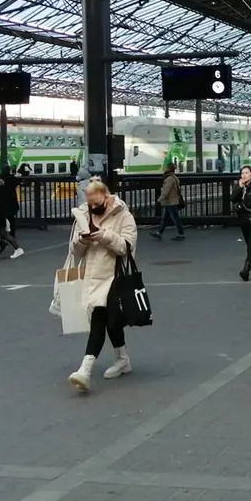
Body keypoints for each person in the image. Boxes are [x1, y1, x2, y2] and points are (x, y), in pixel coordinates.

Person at [66, 178, 138, 392]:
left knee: (99, 319)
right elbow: (74, 251)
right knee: (111, 321)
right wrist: (81, 240)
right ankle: (123, 359)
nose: (93, 208)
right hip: (92, 276)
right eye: (90, 204)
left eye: (97, 204)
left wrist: (104, 236)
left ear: (106, 197)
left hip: (113, 278)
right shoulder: (84, 215)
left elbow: (127, 247)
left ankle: (85, 369)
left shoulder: (124, 216)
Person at [149, 163, 185, 241]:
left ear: (168, 169)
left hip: (170, 202)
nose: (164, 169)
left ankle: (181, 234)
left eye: (166, 167)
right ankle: (159, 233)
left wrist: (159, 199)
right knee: (165, 219)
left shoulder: (169, 179)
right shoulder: (174, 177)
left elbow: (166, 191)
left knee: (176, 218)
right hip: (171, 201)